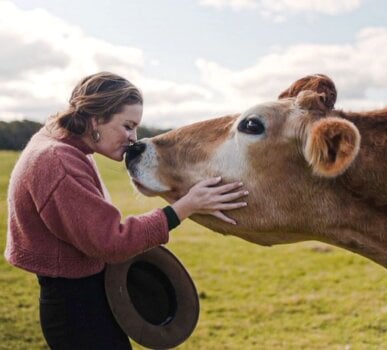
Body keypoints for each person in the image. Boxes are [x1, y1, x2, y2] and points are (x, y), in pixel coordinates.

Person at [4, 72, 248, 349]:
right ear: (96, 119)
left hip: (83, 297)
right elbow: (110, 242)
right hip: (77, 310)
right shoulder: (57, 161)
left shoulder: (63, 146)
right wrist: (185, 207)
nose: (134, 138)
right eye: (128, 126)